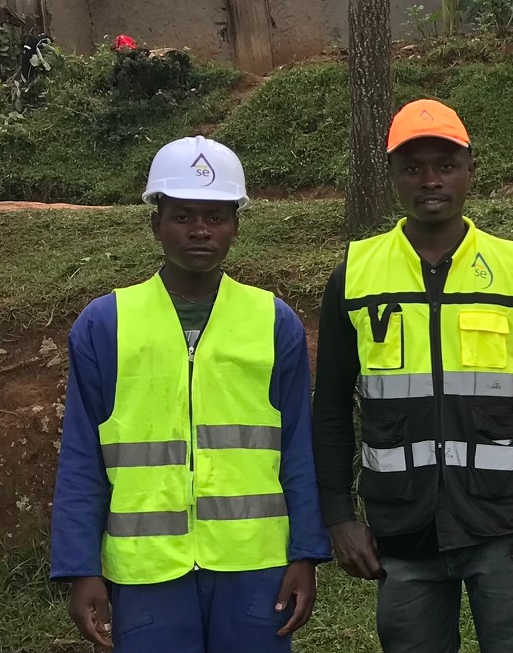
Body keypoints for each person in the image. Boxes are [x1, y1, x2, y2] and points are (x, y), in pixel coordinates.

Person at [50, 136, 327, 653]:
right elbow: (81, 457)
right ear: (156, 222)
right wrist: (81, 568)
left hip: (255, 564)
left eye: (216, 216)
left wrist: (305, 553)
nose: (200, 230)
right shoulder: (104, 325)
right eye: (183, 216)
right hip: (146, 568)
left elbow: (299, 451)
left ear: (235, 226)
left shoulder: (274, 322)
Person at [312, 100, 513, 653]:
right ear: (393, 177)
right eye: (413, 167)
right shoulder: (354, 275)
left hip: (507, 526)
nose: (430, 180)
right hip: (401, 533)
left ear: (470, 169)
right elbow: (330, 406)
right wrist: (338, 516)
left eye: (445, 165)